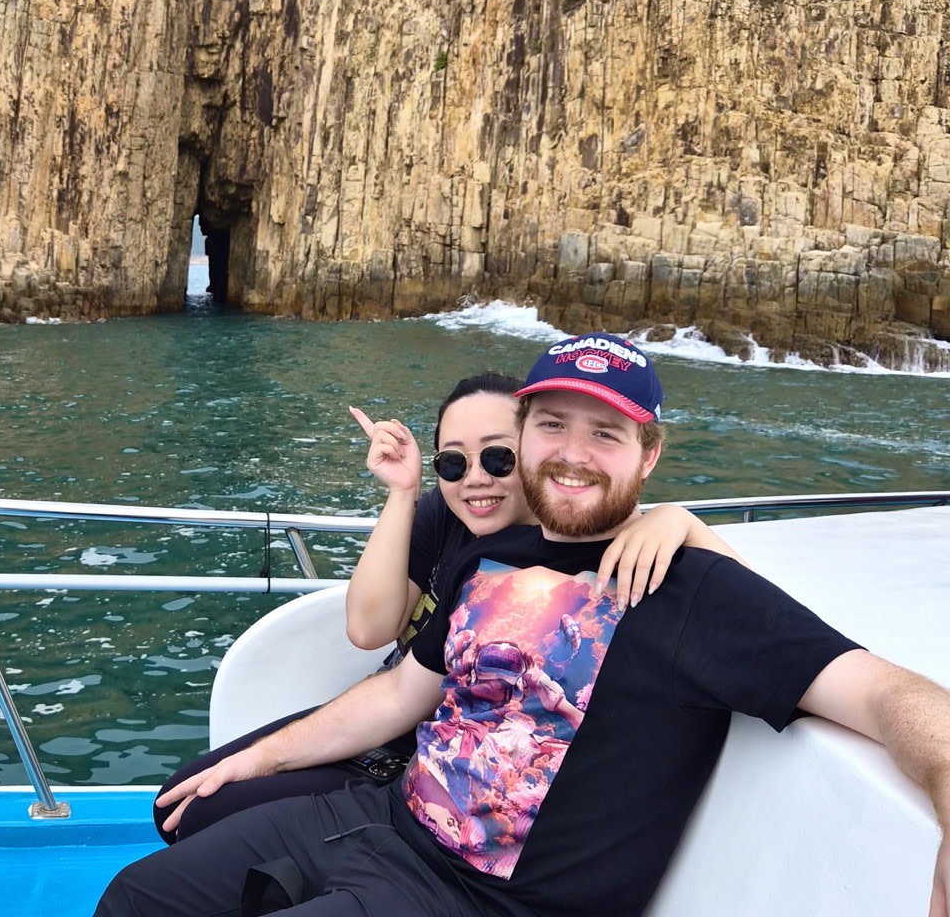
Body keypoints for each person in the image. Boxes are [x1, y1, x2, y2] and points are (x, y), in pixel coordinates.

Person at [97, 332, 950, 917]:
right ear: (528, 434)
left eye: (605, 433)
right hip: (383, 820)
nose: (573, 453)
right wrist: (256, 757)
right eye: (552, 426)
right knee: (138, 896)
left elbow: (883, 694)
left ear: (647, 455)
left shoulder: (693, 591)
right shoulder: (485, 555)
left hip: (481, 901)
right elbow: (401, 690)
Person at [152, 371, 743, 842]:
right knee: (180, 800)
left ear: (535, 453)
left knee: (206, 818)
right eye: (453, 463)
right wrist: (405, 492)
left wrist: (680, 520)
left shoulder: (581, 551)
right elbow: (368, 627)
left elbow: (740, 610)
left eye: (498, 459)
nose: (475, 480)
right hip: (379, 725)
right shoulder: (448, 512)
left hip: (443, 763)